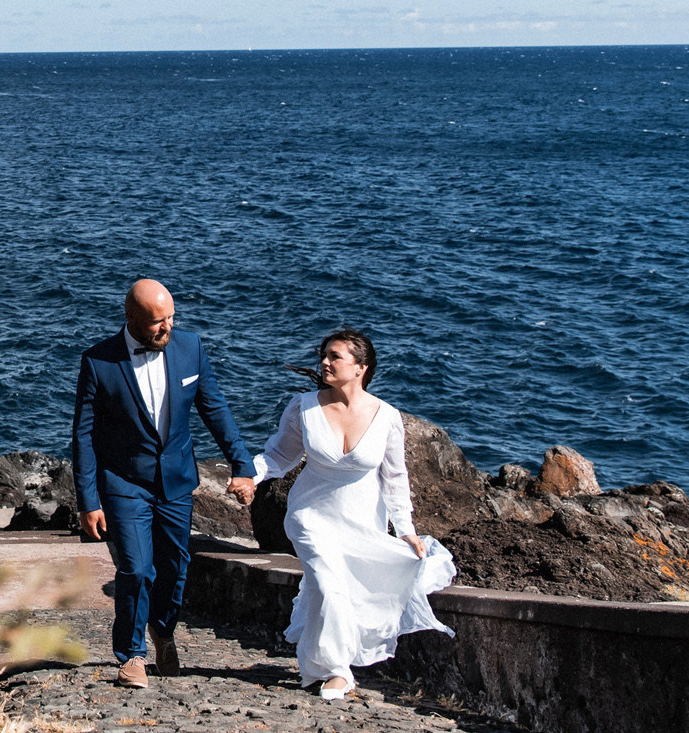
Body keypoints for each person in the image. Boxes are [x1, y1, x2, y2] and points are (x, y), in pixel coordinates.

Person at [230, 330, 455, 700]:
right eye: (323, 355)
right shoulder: (304, 407)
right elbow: (278, 457)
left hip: (362, 521)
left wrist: (406, 531)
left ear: (361, 367)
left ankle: (312, 668)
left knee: (330, 591)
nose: (325, 362)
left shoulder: (387, 417)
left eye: (335, 356)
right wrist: (249, 477)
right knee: (330, 585)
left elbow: (396, 478)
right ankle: (338, 671)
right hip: (310, 517)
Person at [72, 279, 249, 688]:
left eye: (170, 318)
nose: (166, 328)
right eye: (156, 322)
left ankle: (163, 631)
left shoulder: (191, 348)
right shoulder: (98, 362)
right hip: (123, 482)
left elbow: (216, 410)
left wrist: (241, 464)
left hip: (176, 481)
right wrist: (88, 499)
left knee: (174, 567)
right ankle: (131, 654)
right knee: (135, 569)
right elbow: (82, 435)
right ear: (131, 319)